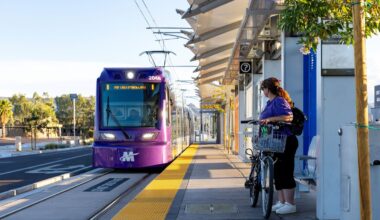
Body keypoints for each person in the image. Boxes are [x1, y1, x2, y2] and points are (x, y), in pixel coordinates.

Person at [259, 77, 298, 215]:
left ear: (267, 89)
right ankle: (282, 202)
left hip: (286, 140)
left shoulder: (279, 101)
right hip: (276, 141)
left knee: (286, 171)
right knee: (278, 172)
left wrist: (270, 119)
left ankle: (290, 204)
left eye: (262, 88)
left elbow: (289, 117)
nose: (262, 91)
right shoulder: (270, 102)